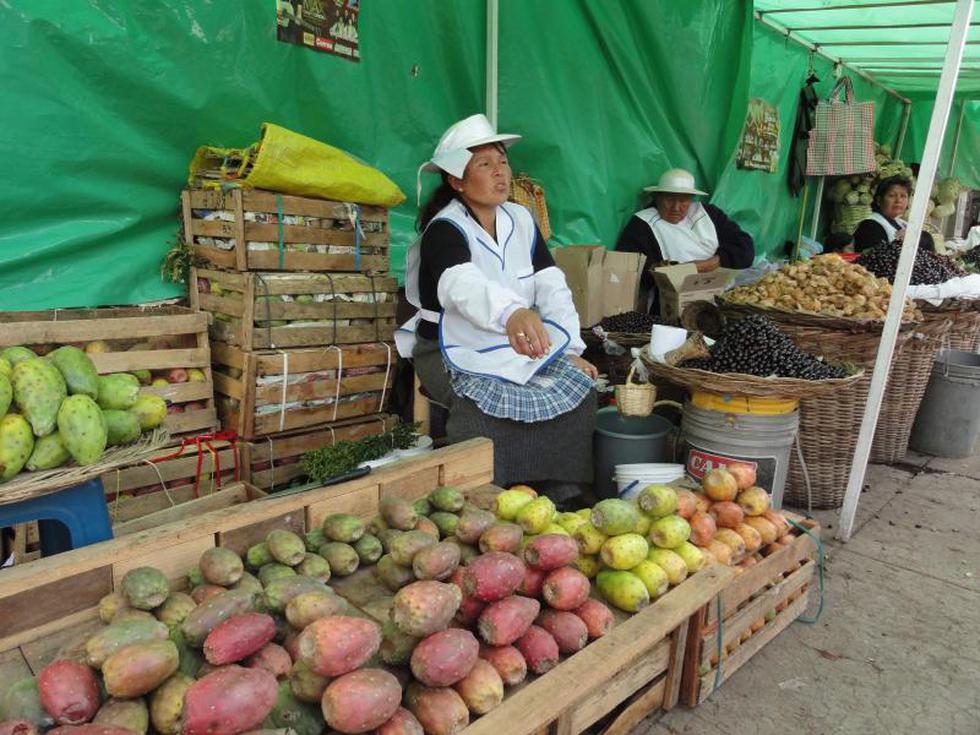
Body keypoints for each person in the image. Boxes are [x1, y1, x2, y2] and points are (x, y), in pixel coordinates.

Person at [395, 114, 598, 508]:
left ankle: (562, 486)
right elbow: (459, 284)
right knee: (481, 406)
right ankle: (486, 493)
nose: (500, 173)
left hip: (512, 344)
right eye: (484, 165)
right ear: (456, 180)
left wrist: (571, 348)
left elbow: (550, 283)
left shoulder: (520, 219)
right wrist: (511, 313)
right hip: (448, 348)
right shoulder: (445, 229)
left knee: (579, 389)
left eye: (502, 161)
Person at [616, 168, 755, 312]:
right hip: (673, 305)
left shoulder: (709, 214)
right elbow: (630, 269)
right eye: (669, 199)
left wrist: (711, 264)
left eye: (683, 200)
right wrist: (670, 272)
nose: (676, 208)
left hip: (720, 297)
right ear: (657, 198)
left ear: (691, 199)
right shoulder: (643, 224)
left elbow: (745, 248)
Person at [853, 175, 935, 253]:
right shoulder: (870, 226)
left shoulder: (901, 223)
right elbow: (879, 259)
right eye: (892, 196)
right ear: (878, 200)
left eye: (903, 196)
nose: (898, 200)